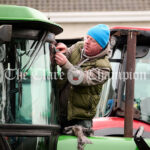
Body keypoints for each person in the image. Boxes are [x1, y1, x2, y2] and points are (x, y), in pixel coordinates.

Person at [55, 24, 112, 129]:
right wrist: (61, 50)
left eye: (93, 40)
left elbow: (81, 79)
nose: (87, 42)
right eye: (87, 37)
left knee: (77, 145)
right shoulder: (78, 46)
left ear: (101, 46)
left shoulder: (104, 68)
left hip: (80, 120)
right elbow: (67, 55)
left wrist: (65, 64)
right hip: (59, 113)